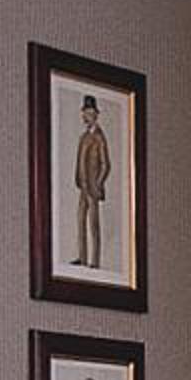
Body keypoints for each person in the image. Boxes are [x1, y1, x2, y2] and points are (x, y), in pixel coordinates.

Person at [72, 93, 110, 268]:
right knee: (80, 220)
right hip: (83, 186)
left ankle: (95, 260)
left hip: (92, 188)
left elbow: (106, 164)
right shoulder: (84, 137)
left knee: (94, 225)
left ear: (95, 115)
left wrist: (98, 183)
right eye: (84, 113)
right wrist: (80, 180)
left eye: (88, 113)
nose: (85, 116)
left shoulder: (99, 137)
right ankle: (82, 257)